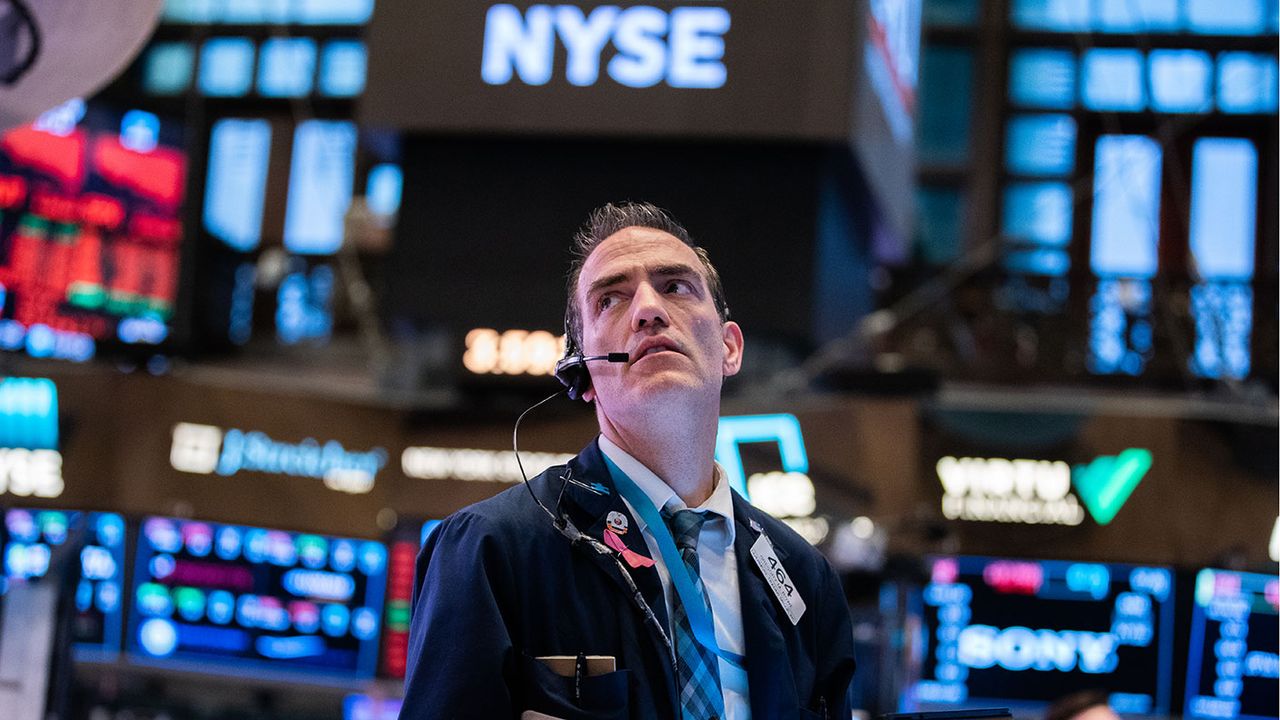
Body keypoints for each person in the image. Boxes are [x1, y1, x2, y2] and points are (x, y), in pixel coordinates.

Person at [401, 202, 856, 720]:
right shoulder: (490, 549)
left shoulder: (804, 580)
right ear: (583, 374)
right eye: (610, 299)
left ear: (729, 348)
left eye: (676, 287)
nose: (647, 309)